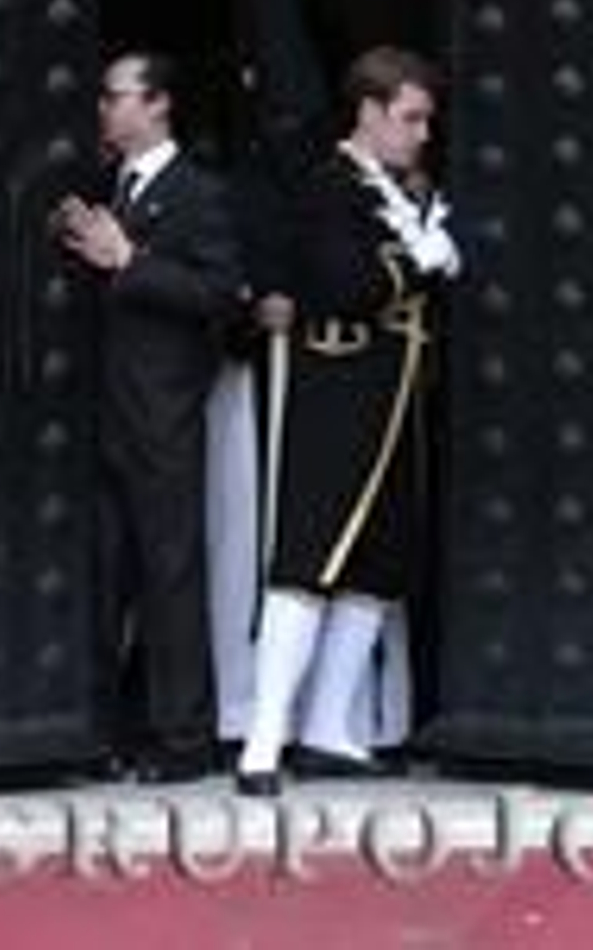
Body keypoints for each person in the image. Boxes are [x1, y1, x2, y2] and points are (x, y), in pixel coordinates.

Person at [234, 45, 460, 794]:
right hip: (337, 391)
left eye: (426, 120)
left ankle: (328, 729)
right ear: (368, 111)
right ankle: (263, 742)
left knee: (375, 566)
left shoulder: (396, 190)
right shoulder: (330, 185)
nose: (422, 134)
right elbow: (345, 284)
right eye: (410, 118)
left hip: (393, 398)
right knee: (309, 559)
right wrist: (420, 263)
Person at [53, 50, 241, 781]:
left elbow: (220, 295)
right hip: (100, 409)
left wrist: (130, 261)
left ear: (158, 103)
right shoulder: (106, 186)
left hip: (162, 413)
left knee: (169, 575)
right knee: (103, 578)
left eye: (115, 95)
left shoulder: (199, 191)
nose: (103, 107)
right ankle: (101, 733)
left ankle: (184, 742)